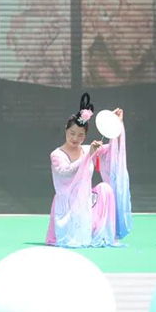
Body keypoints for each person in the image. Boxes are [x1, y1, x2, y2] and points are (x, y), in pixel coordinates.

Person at [46, 93, 131, 247]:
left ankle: (102, 233)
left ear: (85, 136)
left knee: (105, 189)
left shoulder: (87, 149)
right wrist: (89, 155)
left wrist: (115, 124)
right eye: (72, 133)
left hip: (85, 201)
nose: (75, 138)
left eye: (80, 135)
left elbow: (113, 149)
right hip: (67, 205)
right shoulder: (57, 154)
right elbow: (66, 171)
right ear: (65, 130)